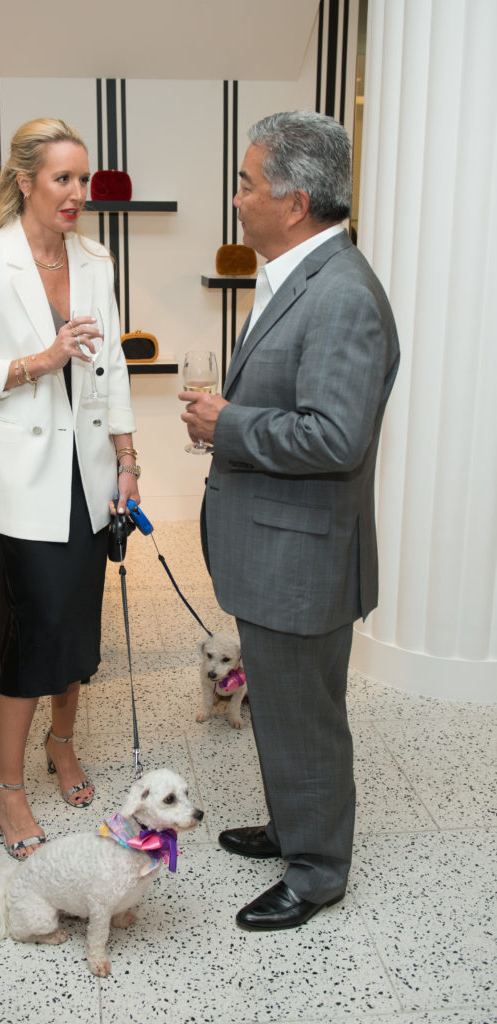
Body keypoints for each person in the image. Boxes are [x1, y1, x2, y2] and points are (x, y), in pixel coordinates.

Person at [180, 111, 399, 930]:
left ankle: (315, 872)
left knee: (304, 717)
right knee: (278, 705)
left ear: (295, 201)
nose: (236, 199)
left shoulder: (340, 294)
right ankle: (291, 827)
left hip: (300, 560)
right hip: (276, 551)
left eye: (246, 183)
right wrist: (231, 417)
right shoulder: (298, 276)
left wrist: (223, 424)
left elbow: (335, 438)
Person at [0, 118, 140, 859]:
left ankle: (62, 745)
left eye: (83, 180)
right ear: (24, 180)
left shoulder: (96, 259)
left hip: (87, 474)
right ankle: (7, 786)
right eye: (62, 179)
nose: (76, 195)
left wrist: (128, 458)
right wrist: (40, 358)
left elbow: (111, 364)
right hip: (22, 477)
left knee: (77, 626)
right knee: (34, 628)